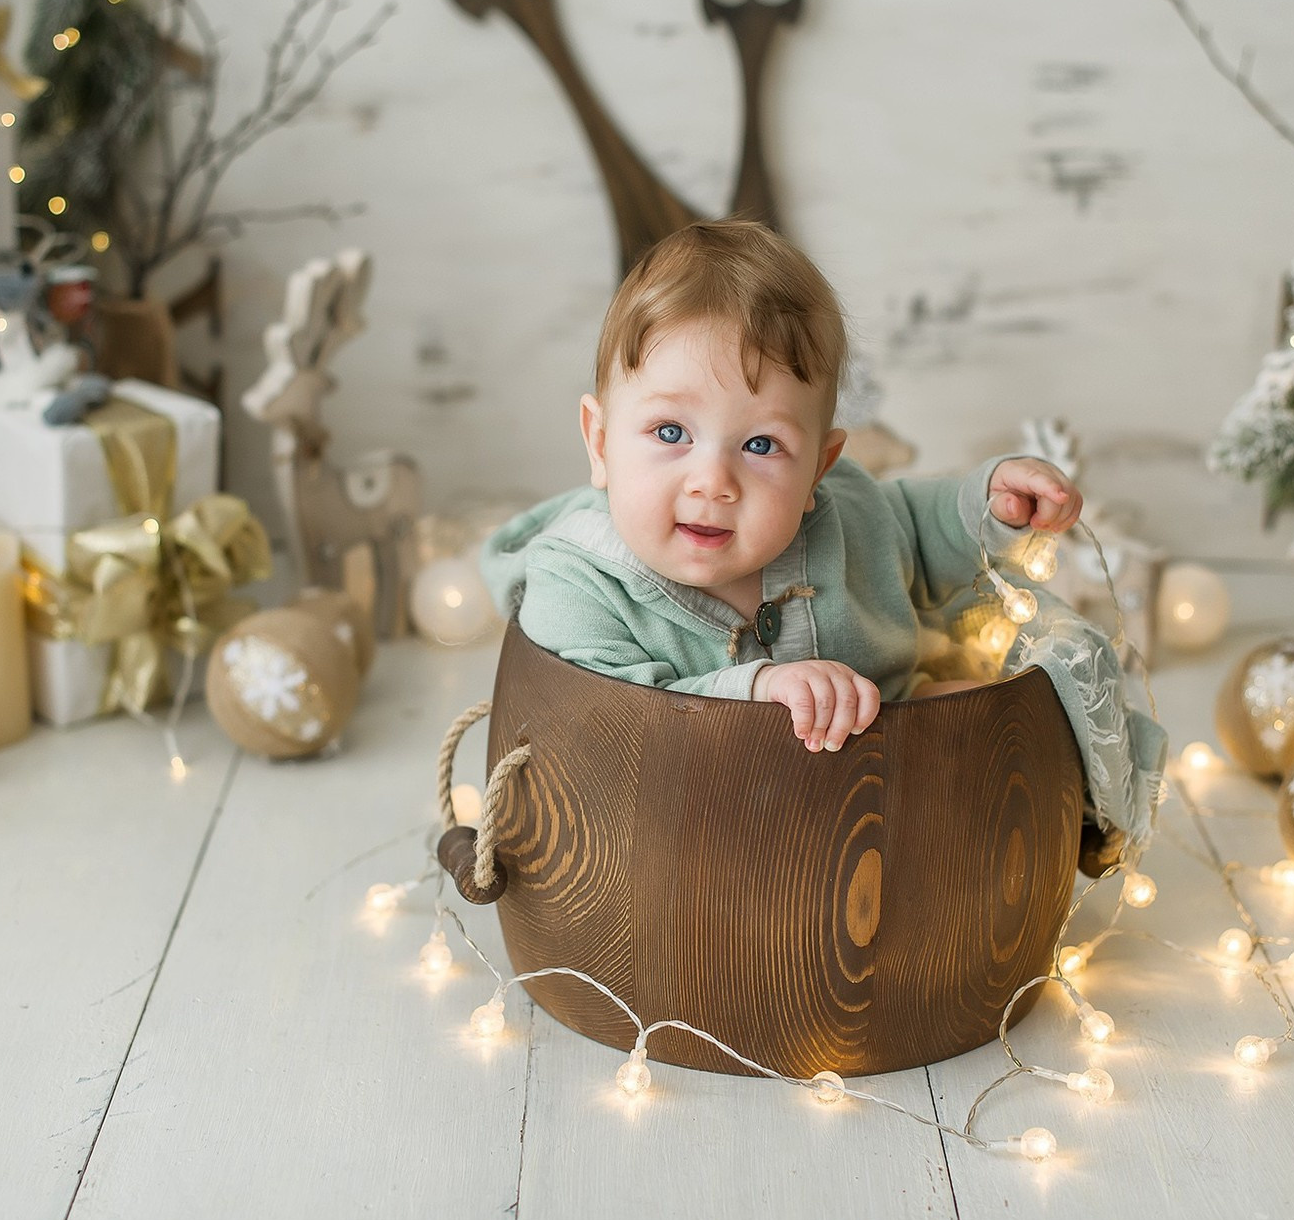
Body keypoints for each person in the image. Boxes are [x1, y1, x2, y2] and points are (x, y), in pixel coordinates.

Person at [481, 220, 1162, 839]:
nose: (712, 480)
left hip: (871, 796)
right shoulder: (574, 581)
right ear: (600, 442)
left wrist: (989, 503)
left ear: (818, 468)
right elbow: (611, 720)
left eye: (761, 446)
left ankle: (1040, 850)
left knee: (989, 718)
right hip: (683, 824)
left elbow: (919, 531)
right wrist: (757, 687)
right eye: (670, 432)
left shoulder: (846, 513)